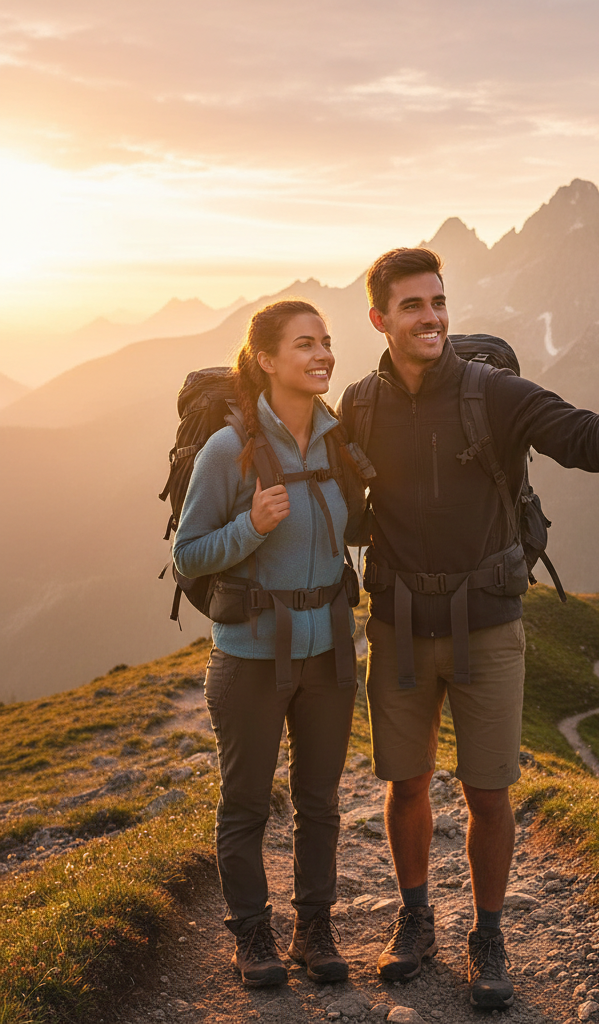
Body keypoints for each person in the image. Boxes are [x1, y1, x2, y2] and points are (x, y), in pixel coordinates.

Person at [337, 248, 599, 1008]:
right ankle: (416, 916)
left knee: (488, 791)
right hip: (397, 623)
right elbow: (322, 493)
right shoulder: (358, 405)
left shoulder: (495, 393)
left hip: (487, 625)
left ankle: (487, 934)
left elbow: (592, 441)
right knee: (406, 785)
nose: (431, 318)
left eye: (438, 302)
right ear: (379, 320)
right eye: (413, 307)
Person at [174, 299, 362, 988]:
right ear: (266, 360)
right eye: (305, 344)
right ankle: (252, 936)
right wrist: (251, 526)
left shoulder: (339, 441)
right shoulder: (231, 448)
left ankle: (314, 929)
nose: (322, 356)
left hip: (331, 651)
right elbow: (187, 554)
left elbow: (356, 528)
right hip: (250, 656)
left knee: (320, 801)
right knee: (247, 802)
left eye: (327, 343)